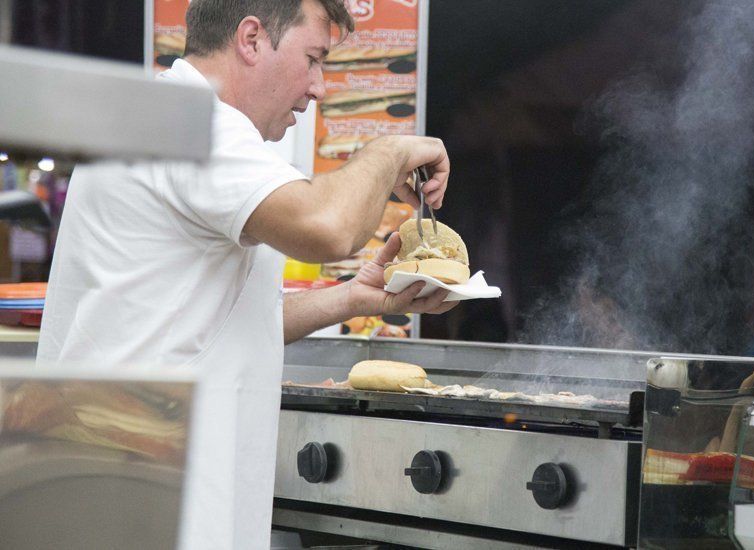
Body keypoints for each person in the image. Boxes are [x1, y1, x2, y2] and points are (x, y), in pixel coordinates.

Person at [36, 1, 456, 548]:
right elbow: (329, 228)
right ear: (252, 39)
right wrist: (390, 148)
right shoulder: (188, 123)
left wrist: (354, 298)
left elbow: (218, 322)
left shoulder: (170, 116)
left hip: (129, 490)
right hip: (143, 499)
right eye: (313, 59)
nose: (319, 88)